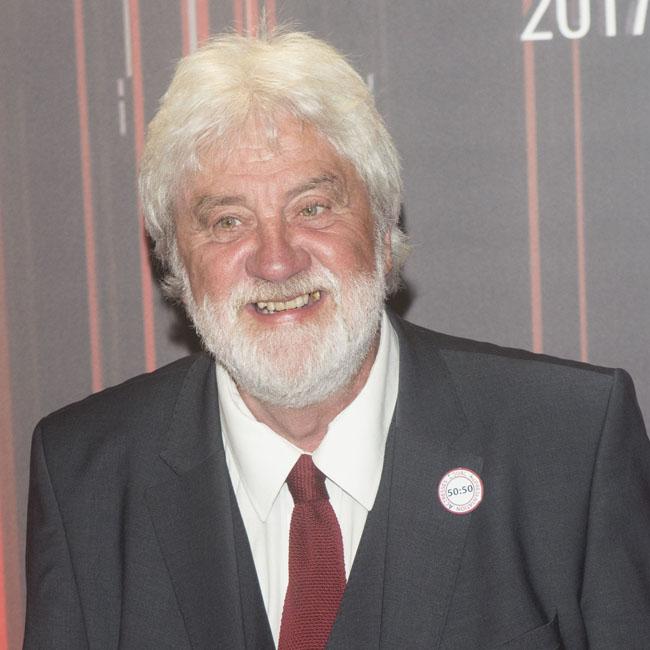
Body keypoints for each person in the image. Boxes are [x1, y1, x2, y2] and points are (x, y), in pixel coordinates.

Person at [24, 30, 650, 649]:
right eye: (228, 221)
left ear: (382, 225)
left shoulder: (570, 444)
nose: (276, 261)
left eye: (313, 208)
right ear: (177, 263)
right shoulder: (87, 477)